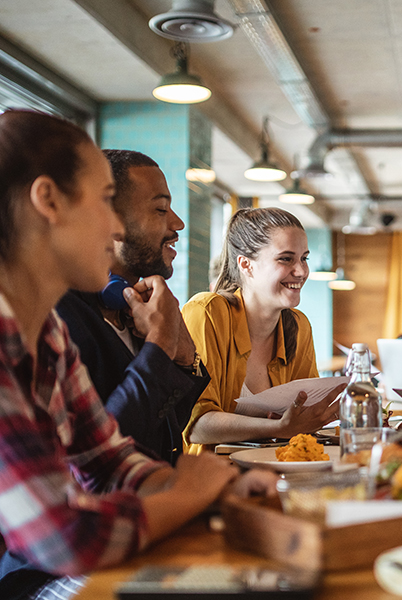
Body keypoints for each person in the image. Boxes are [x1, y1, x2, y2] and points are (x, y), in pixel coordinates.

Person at [0, 110, 275, 600]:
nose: (114, 226)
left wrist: (213, 488)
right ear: (48, 201)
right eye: (106, 201)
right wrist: (188, 494)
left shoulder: (46, 336)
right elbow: (63, 538)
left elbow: (108, 459)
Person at [56, 150, 208, 465]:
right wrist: (161, 345)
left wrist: (184, 360)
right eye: (160, 209)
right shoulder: (62, 316)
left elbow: (165, 428)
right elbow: (104, 454)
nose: (177, 223)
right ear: (108, 219)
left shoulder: (140, 305)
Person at [182, 207, 343, 450]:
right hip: (212, 478)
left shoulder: (298, 326)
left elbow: (305, 418)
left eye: (304, 258)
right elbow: (194, 425)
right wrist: (279, 428)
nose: (301, 271)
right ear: (246, 265)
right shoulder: (206, 313)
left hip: (279, 472)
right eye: (286, 258)